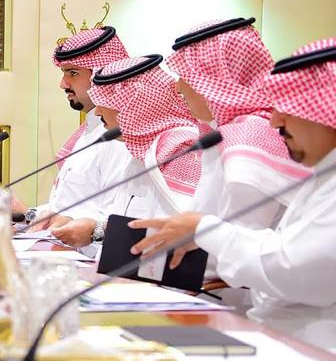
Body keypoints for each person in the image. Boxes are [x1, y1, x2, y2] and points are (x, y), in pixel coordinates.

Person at [130, 38, 336, 347]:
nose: (275, 120)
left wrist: (203, 230)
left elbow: (295, 271)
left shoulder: (249, 136)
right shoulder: (324, 173)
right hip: (273, 332)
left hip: (310, 348)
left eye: (289, 107)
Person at [168, 18, 308, 233]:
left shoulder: (251, 135)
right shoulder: (231, 130)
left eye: (185, 76)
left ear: (215, 80)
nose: (178, 88)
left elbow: (239, 238)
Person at [22, 26, 132, 248]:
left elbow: (116, 218)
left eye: (73, 73)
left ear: (102, 74)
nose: (63, 84)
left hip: (89, 260)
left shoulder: (119, 137)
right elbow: (67, 208)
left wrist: (80, 228)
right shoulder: (90, 131)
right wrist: (26, 214)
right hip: (61, 253)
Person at [85, 54, 204, 234]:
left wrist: (95, 233)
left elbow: (184, 232)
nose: (97, 111)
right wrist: (97, 231)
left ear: (133, 104)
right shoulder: (145, 150)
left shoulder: (180, 149)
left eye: (105, 101)